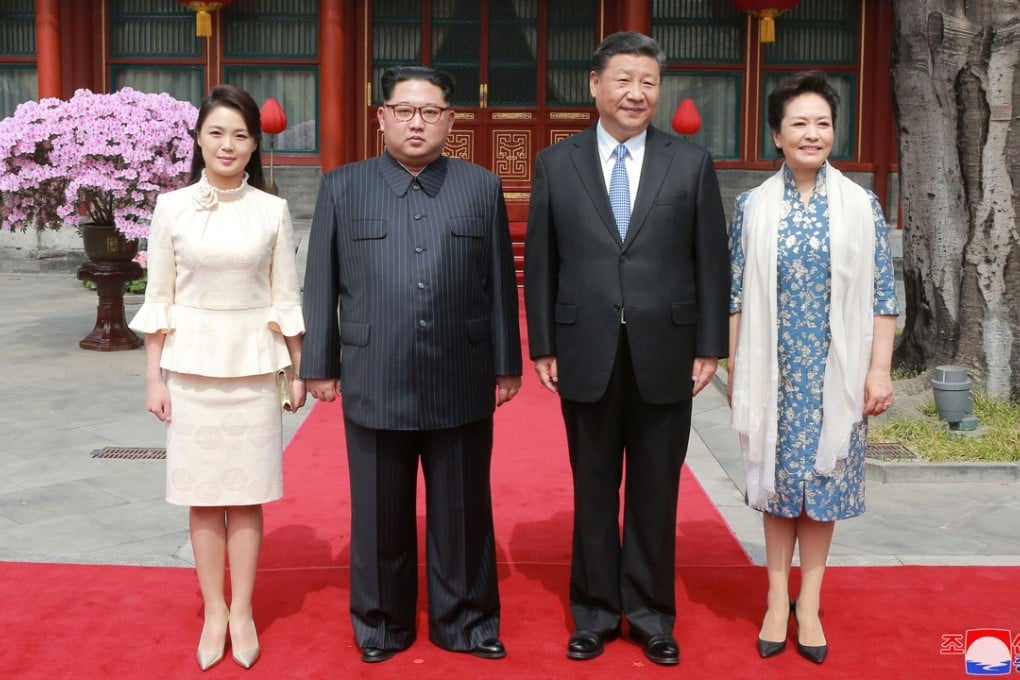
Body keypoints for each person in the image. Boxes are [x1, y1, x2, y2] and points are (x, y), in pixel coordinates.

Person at [300, 65, 522, 664]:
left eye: (430, 111)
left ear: (451, 120)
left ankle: (468, 622)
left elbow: (500, 283)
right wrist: (318, 364)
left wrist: (508, 364)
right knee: (378, 515)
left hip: (462, 372)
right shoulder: (344, 187)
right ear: (382, 118)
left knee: (463, 511)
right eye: (404, 110)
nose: (417, 122)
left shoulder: (480, 186)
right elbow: (320, 282)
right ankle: (381, 624)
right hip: (377, 374)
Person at [523, 32, 729, 666]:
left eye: (647, 82)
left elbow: (710, 263)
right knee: (592, 489)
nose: (636, 93)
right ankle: (592, 614)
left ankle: (650, 616)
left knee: (655, 491)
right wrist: (543, 345)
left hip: (665, 349)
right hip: (584, 349)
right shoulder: (558, 163)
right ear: (594, 85)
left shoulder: (688, 163)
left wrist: (710, 345)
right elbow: (543, 259)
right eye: (623, 79)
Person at [129, 84, 306, 671]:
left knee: (247, 496)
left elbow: (286, 296)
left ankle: (244, 611)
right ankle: (213, 610)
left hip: (255, 367)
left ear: (255, 144)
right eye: (216, 133)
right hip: (190, 369)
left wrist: (299, 371)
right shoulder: (171, 207)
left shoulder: (272, 210)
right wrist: (154, 379)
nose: (227, 145)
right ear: (198, 139)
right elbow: (159, 299)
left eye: (240, 135)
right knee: (203, 498)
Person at [727, 70, 898, 664]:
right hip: (774, 373)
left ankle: (811, 604)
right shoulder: (752, 207)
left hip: (837, 374)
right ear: (777, 134)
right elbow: (737, 298)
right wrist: (735, 372)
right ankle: (777, 600)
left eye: (822, 123)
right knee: (777, 488)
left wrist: (879, 370)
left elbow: (883, 297)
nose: (812, 134)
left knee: (821, 490)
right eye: (799, 123)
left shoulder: (861, 205)